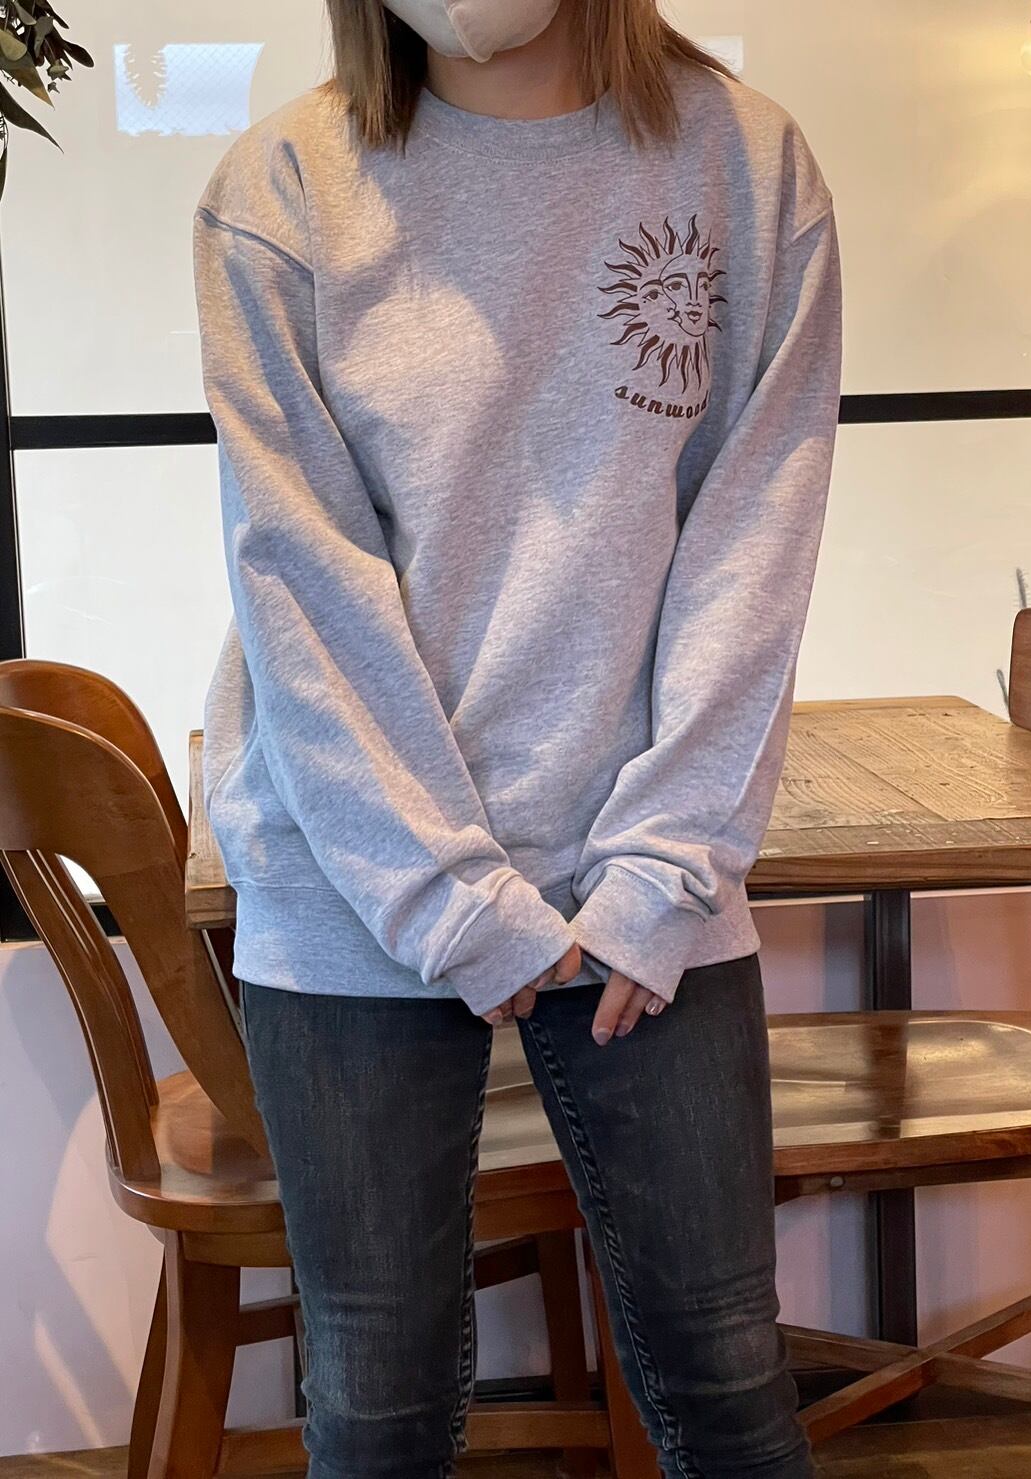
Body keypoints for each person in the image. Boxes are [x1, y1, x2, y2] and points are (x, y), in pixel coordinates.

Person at [192, 0, 842, 1473]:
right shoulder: (283, 186)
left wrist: (667, 864)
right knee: (374, 1398)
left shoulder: (743, 165)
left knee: (730, 1376)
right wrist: (444, 893)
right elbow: (301, 571)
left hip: (643, 879)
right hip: (354, 872)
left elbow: (756, 537)